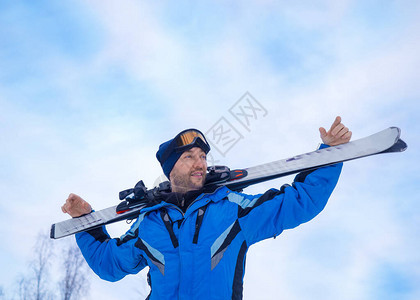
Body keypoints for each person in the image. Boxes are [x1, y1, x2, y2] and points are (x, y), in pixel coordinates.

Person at [62, 116, 351, 300]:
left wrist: (330, 154)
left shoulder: (232, 210)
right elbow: (109, 263)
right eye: (189, 157)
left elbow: (298, 202)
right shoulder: (150, 224)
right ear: (171, 168)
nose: (200, 163)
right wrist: (85, 221)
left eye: (202, 156)